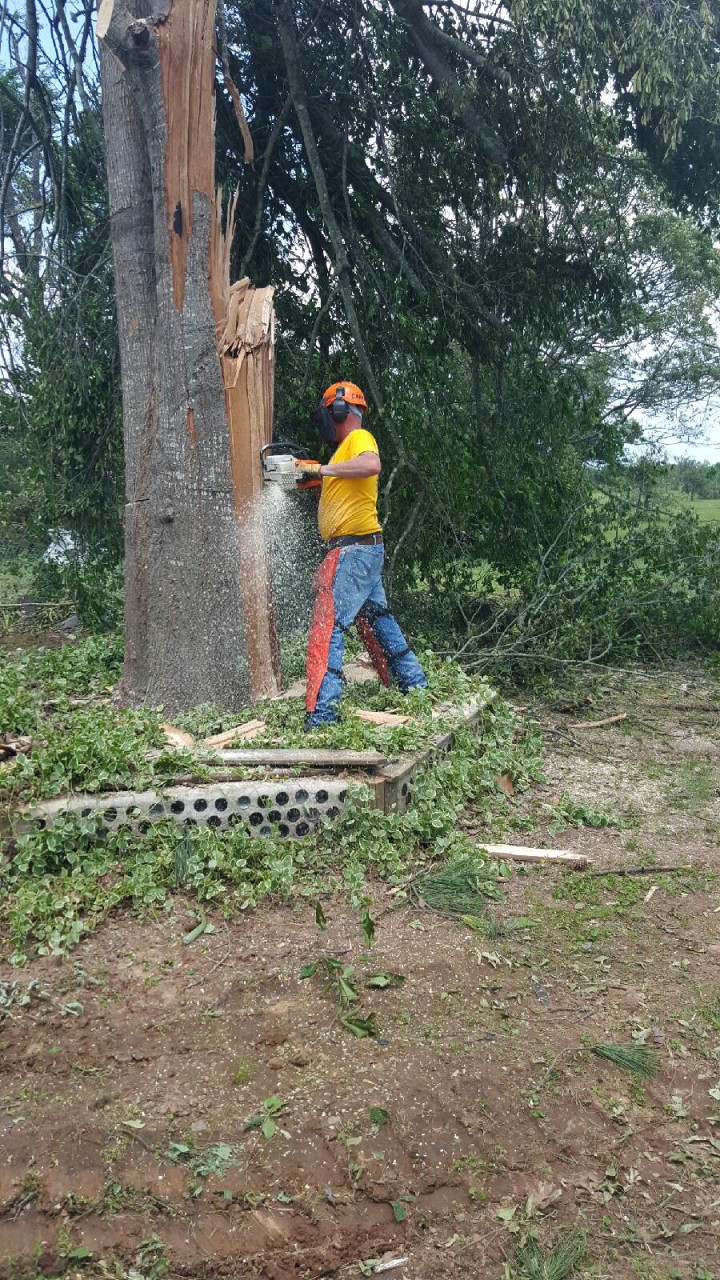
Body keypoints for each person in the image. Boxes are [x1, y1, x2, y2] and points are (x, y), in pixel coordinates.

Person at [298, 381, 427, 729]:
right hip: (361, 550)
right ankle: (415, 687)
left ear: (338, 411)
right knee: (379, 620)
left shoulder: (358, 439)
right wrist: (315, 476)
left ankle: (322, 716)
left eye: (327, 414)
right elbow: (345, 483)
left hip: (354, 549)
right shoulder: (341, 454)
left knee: (329, 625)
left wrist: (323, 471)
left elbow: (371, 465)